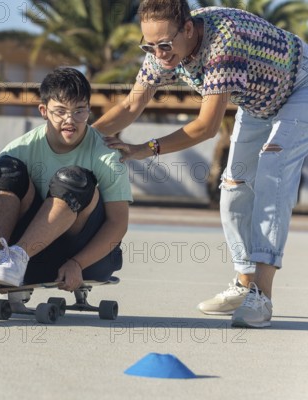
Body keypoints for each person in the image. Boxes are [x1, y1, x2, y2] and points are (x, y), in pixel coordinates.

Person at [92, 0, 308, 328]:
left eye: (164, 44)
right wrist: (82, 138)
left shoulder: (223, 44)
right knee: (234, 185)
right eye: (149, 45)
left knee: (272, 174)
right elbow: (133, 103)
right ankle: (244, 282)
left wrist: (142, 149)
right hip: (257, 101)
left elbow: (206, 128)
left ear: (189, 29)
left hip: (299, 88)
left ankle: (261, 296)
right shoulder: (162, 51)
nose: (159, 53)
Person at [0, 67, 131, 294]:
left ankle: (18, 257)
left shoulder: (106, 155)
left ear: (89, 110)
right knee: (5, 169)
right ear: (44, 111)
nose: (70, 120)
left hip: (85, 258)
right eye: (60, 111)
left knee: (74, 179)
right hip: (33, 256)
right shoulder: (20, 149)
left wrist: (78, 263)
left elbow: (118, 223)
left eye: (79, 111)